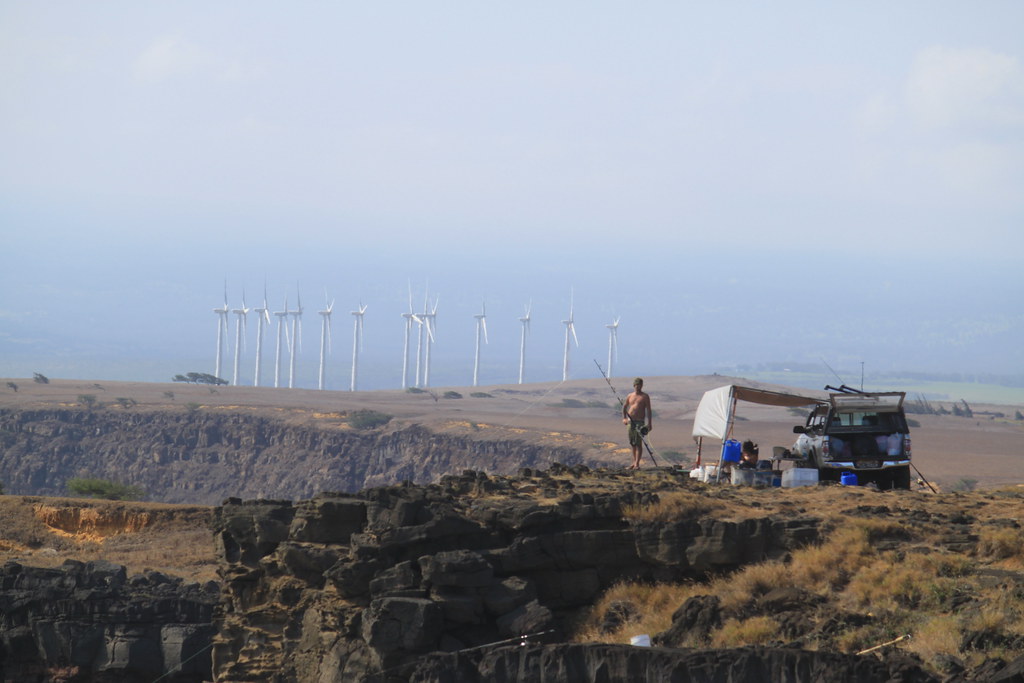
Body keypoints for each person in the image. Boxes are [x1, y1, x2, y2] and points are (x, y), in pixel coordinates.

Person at [622, 377, 652, 470]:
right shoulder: (630, 396)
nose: (637, 387)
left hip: (640, 422)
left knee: (638, 443)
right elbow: (624, 407)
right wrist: (624, 418)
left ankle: (637, 464)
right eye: (636, 385)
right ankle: (634, 462)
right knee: (632, 443)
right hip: (631, 422)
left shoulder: (645, 396)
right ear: (634, 386)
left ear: (641, 386)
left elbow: (649, 410)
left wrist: (649, 423)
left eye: (639, 385)